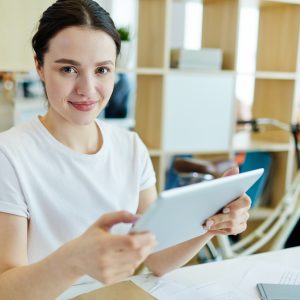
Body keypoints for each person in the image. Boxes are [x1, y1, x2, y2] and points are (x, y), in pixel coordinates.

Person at [0, 0, 251, 298]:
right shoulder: (10, 154)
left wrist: (213, 223)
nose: (88, 88)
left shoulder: (130, 146)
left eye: (102, 70)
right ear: (40, 66)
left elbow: (157, 258)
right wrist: (74, 259)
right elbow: (6, 288)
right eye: (68, 69)